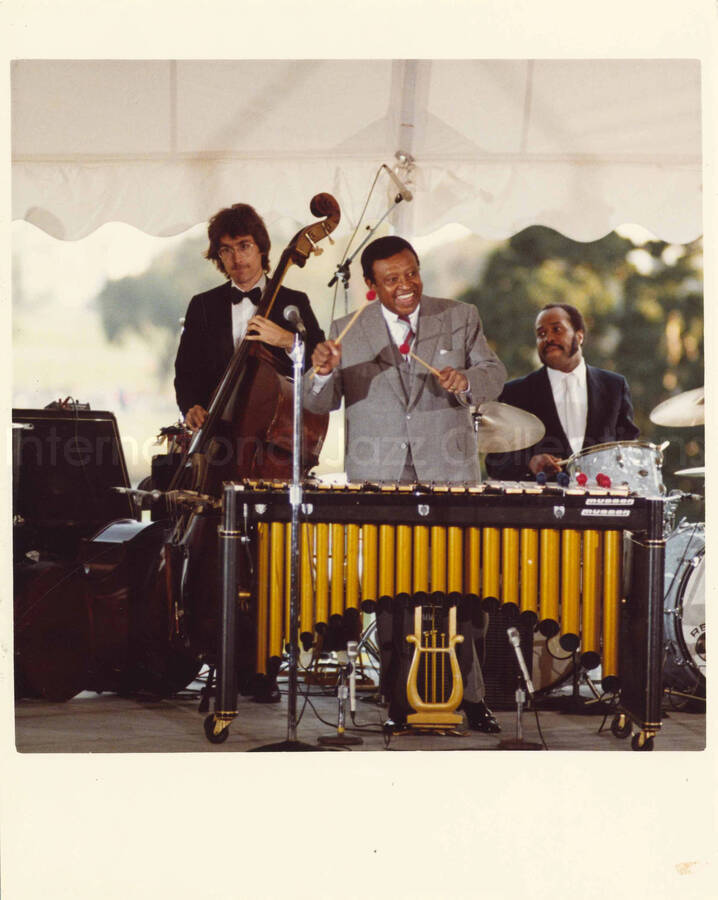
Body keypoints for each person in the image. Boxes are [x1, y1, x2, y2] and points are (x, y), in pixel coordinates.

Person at [304, 235, 507, 733]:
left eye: (411, 273)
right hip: (381, 477)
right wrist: (319, 372)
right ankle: (398, 702)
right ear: (371, 287)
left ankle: (474, 699)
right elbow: (319, 403)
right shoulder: (343, 331)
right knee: (395, 594)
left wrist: (466, 382)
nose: (406, 286)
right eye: (391, 279)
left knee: (463, 592)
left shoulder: (459, 316)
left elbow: (494, 372)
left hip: (451, 472)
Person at [174, 203, 324, 429]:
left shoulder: (295, 302)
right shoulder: (202, 305)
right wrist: (191, 407)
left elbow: (320, 363)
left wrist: (288, 340)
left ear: (261, 248)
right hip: (216, 430)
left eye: (244, 246)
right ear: (219, 256)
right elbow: (185, 373)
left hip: (275, 430)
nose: (237, 258)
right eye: (226, 249)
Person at [485, 303, 639, 480]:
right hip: (541, 505)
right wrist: (529, 463)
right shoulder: (515, 393)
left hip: (602, 502)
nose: (548, 338)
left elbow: (629, 449)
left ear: (579, 335)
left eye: (556, 329)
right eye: (541, 334)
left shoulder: (614, 386)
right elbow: (495, 462)